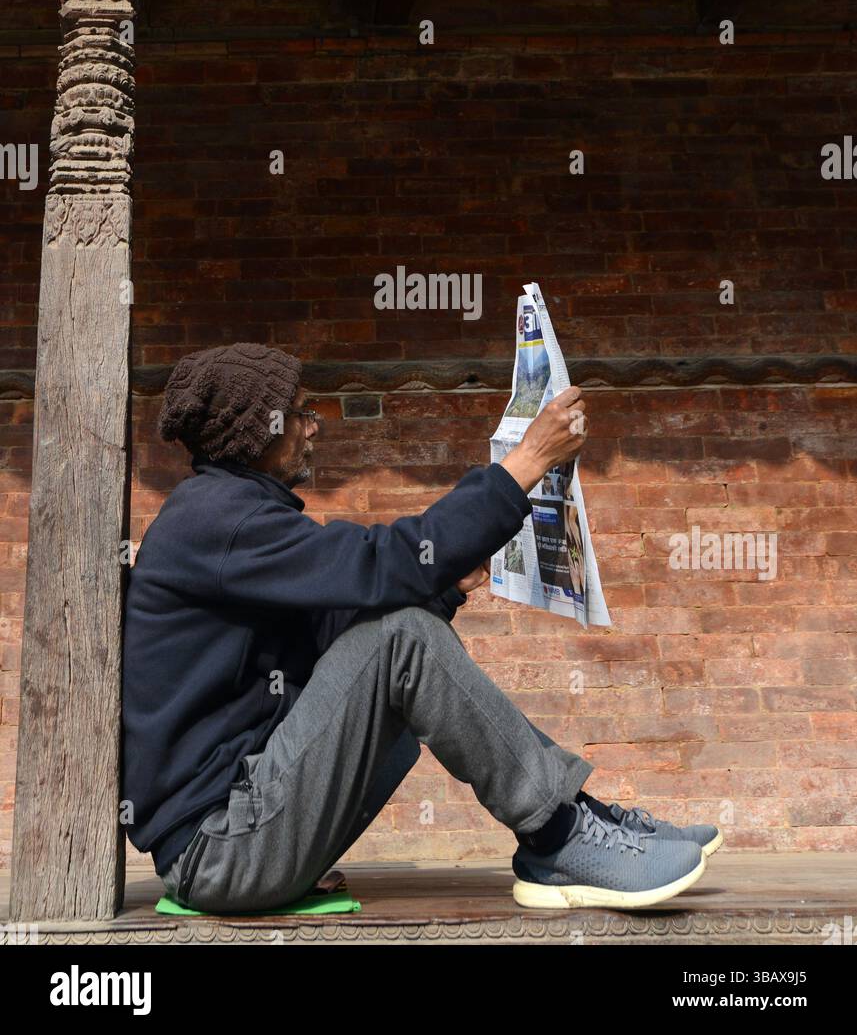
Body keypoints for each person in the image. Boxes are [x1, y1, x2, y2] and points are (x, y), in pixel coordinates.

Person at [121, 342, 721, 915]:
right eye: (300, 411)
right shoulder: (214, 521)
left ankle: (573, 813)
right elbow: (379, 566)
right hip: (221, 850)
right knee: (401, 636)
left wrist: (440, 587)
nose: (313, 425)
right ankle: (558, 837)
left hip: (242, 829)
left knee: (398, 629)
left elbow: (337, 629)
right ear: (257, 432)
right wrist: (526, 464)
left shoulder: (231, 516)